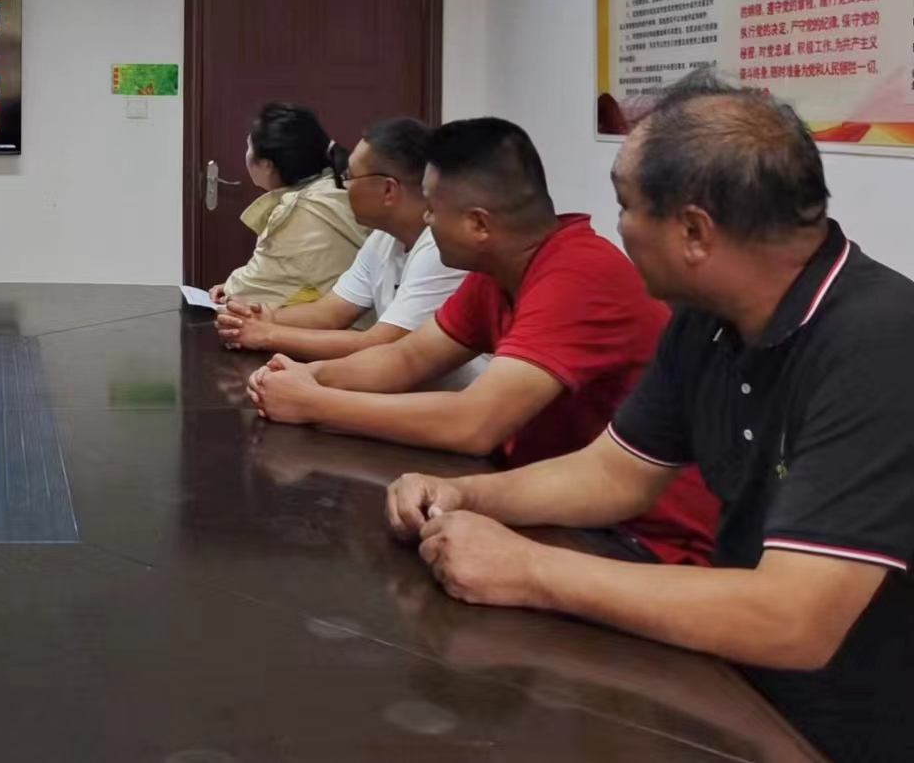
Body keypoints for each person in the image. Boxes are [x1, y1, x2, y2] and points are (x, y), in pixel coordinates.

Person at [389, 76, 912, 762]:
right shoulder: (706, 319)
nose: (618, 228)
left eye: (626, 207)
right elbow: (614, 474)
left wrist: (528, 570)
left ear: (693, 231)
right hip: (731, 681)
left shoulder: (880, 344)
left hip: (844, 728)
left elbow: (794, 620)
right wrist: (464, 495)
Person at [248, 116, 716, 566]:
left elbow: (474, 423)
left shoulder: (578, 273)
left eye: (434, 208)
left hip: (644, 537)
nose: (426, 218)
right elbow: (406, 359)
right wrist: (306, 375)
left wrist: (314, 404)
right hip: (550, 499)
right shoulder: (497, 271)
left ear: (479, 224)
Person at [216, 117, 466, 359]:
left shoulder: (441, 249)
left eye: (349, 177)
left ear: (388, 189)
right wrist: (265, 318)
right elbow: (330, 312)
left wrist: (268, 334)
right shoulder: (383, 238)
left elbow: (381, 345)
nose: (344, 187)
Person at [209, 103, 368, 310]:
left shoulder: (299, 211)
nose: (246, 154)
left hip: (341, 325)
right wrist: (234, 284)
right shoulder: (333, 187)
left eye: (249, 147)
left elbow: (252, 290)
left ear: (267, 165)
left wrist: (233, 287)